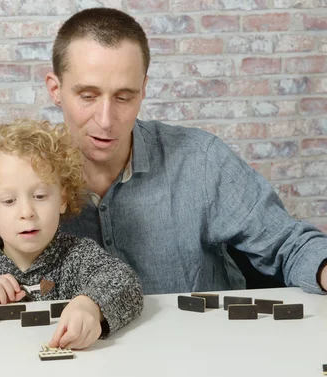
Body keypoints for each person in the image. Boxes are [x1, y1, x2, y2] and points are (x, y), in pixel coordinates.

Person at [44, 7, 327, 295]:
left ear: (143, 89)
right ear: (56, 90)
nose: (105, 120)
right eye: (88, 96)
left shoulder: (200, 159)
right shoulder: (21, 175)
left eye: (124, 97)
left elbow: (289, 243)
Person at [0, 120, 143, 349]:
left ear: (62, 199)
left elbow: (127, 284)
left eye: (40, 196)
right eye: (9, 201)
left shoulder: (77, 257)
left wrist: (90, 306)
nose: (27, 212)